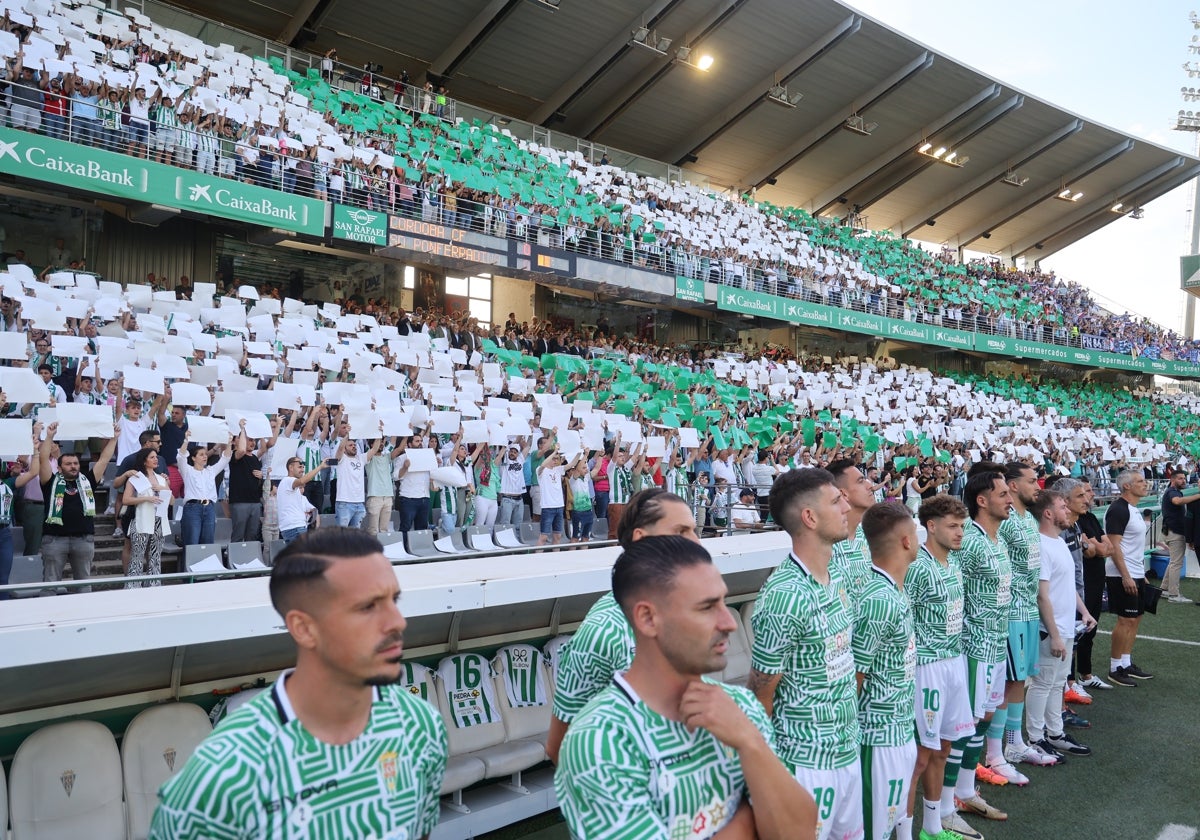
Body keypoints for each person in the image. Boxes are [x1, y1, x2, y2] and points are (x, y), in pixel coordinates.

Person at [149, 529, 448, 838]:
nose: (398, 621)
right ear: (304, 628)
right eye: (368, 606)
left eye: (394, 600)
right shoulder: (222, 775)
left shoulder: (420, 725)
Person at [555, 536, 816, 840]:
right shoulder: (600, 740)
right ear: (648, 618)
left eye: (723, 602)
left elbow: (800, 832)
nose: (728, 622)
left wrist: (750, 741)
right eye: (707, 607)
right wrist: (747, 823)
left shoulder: (738, 707)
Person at [748, 468, 862, 840]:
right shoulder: (785, 595)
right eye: (835, 500)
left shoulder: (836, 574)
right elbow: (761, 696)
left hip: (846, 751)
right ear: (809, 518)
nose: (846, 505)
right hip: (804, 764)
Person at [546, 489, 700, 763]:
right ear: (642, 540)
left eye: (694, 530)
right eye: (682, 531)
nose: (696, 542)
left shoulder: (688, 614)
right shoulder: (604, 630)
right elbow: (560, 747)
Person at [897, 495, 982, 840]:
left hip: (955, 662)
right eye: (952, 526)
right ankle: (904, 833)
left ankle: (933, 827)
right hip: (926, 669)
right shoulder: (917, 566)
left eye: (962, 525)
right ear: (930, 527)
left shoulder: (954, 563)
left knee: (944, 748)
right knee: (920, 756)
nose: (960, 532)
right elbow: (903, 620)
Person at [941, 466, 1019, 828]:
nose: (1010, 499)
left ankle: (967, 789)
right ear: (982, 500)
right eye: (1003, 494)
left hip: (995, 643)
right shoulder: (968, 540)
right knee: (965, 724)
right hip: (973, 647)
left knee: (985, 719)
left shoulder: (998, 538)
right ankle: (948, 802)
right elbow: (953, 589)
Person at [854, 502, 919, 840]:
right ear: (907, 541)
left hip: (898, 729)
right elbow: (855, 676)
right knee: (873, 827)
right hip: (877, 737)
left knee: (888, 820)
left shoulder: (894, 588)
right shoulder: (878, 598)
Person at [1027, 490, 1096, 760]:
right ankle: (1035, 737)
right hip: (1051, 629)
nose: (1067, 510)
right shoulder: (1041, 545)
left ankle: (1055, 733)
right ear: (1047, 513)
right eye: (1061, 506)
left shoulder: (1057, 542)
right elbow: (1041, 594)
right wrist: (1054, 634)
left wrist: (1084, 612)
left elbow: (1067, 585)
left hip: (1066, 626)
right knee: (1043, 683)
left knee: (1057, 683)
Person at [995, 462, 1053, 771]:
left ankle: (1015, 742)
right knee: (1009, 680)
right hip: (1010, 613)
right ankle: (1003, 746)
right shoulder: (1004, 523)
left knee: (1020, 679)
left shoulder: (1029, 521)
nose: (1037, 487)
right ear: (1013, 485)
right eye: (1032, 481)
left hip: (1028, 609)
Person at [39, 422, 118, 592]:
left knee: (83, 585)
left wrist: (114, 439)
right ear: (59, 468)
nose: (73, 466)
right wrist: (49, 436)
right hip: (54, 539)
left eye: (75, 463)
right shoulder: (50, 481)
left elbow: (104, 459)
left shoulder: (87, 481)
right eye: (68, 464)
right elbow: (42, 459)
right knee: (50, 584)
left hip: (83, 540)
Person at [1105, 470, 1154, 686]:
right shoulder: (1118, 509)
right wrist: (1126, 576)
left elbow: (1133, 547)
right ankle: (1115, 667)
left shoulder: (1132, 509)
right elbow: (1114, 546)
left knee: (1136, 618)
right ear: (1127, 486)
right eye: (1141, 481)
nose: (1146, 484)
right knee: (1126, 619)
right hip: (1120, 573)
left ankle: (1126, 662)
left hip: (1135, 572)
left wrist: (1140, 574)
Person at [1072, 477, 1114, 691]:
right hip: (1081, 584)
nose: (1091, 495)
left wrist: (1095, 545)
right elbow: (1091, 552)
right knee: (1076, 632)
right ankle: (1069, 682)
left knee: (1091, 629)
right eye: (1085, 492)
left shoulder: (1090, 517)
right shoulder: (1074, 520)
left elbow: (1107, 548)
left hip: (1096, 581)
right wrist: (1096, 546)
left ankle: (1085, 675)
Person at [121, 446, 171, 588]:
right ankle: (132, 585)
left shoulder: (162, 479)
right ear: (144, 461)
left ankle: (154, 584)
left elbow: (172, 500)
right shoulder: (136, 478)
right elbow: (126, 500)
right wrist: (146, 499)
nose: (156, 459)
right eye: (152, 457)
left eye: (156, 457)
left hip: (159, 519)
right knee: (137, 554)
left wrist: (164, 489)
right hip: (141, 518)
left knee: (156, 555)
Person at [828, 458, 875, 611]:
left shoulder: (868, 536)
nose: (870, 486)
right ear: (843, 494)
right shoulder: (827, 546)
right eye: (861, 481)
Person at [177, 432, 232, 546]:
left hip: (209, 508)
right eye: (201, 454)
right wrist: (186, 440)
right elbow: (181, 457)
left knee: (208, 542)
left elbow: (225, 458)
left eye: (205, 454)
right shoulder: (187, 470)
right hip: (193, 508)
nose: (205, 456)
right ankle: (189, 564)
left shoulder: (211, 471)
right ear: (193, 458)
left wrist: (229, 442)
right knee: (192, 542)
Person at [334, 430, 382, 529]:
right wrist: (347, 435)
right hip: (344, 503)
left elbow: (374, 449)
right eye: (350, 445)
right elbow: (340, 448)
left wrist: (379, 433)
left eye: (354, 445)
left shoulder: (361, 458)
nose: (354, 446)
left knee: (355, 536)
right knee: (341, 536)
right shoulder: (341, 459)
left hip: (359, 503)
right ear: (345, 449)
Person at [1159, 468, 1193, 603]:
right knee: (1176, 563)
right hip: (1175, 532)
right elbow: (1177, 501)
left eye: (1184, 478)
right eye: (1180, 478)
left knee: (1174, 562)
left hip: (1172, 531)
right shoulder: (1172, 492)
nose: (1183, 480)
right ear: (1172, 480)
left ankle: (1164, 589)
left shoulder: (1174, 491)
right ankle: (1174, 595)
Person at [277, 456, 325, 544]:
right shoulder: (288, 480)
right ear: (290, 467)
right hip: (295, 528)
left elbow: (313, 510)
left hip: (295, 528)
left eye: (303, 467)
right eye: (300, 466)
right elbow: (302, 481)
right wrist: (320, 467)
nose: (302, 470)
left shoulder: (288, 483)